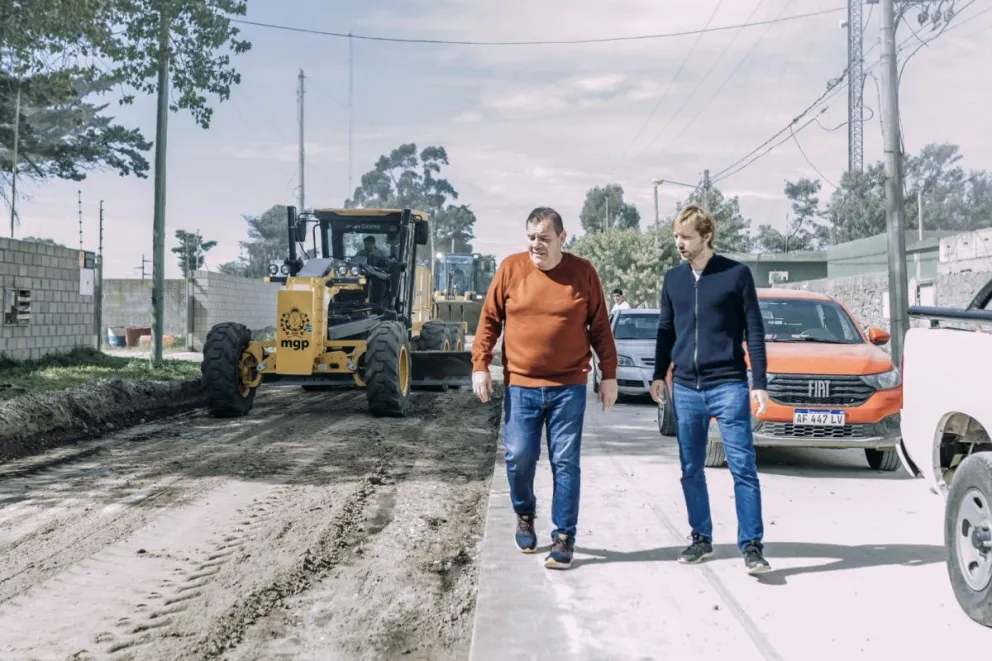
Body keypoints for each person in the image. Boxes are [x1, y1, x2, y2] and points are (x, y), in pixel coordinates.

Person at [472, 206, 618, 570]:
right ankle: (525, 513)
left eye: (544, 238)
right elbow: (489, 319)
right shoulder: (510, 269)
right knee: (519, 456)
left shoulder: (583, 273)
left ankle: (563, 537)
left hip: (568, 385)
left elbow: (600, 327)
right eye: (531, 237)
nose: (536, 245)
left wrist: (609, 375)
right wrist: (481, 365)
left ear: (562, 238)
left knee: (565, 461)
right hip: (521, 384)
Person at [648, 204, 772, 576]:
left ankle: (751, 546)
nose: (679, 244)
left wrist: (760, 384)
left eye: (686, 237)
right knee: (690, 468)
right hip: (685, 387)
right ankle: (701, 538)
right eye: (676, 237)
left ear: (706, 236)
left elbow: (755, 330)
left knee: (743, 468)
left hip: (729, 385)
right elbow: (666, 331)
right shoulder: (673, 279)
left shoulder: (736, 274)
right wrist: (658, 373)